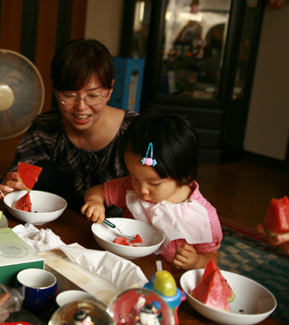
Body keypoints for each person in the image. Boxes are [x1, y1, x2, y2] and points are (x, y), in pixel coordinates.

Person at [0, 39, 137, 213]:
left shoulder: (135, 131)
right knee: (41, 170)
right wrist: (8, 193)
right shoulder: (44, 128)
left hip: (118, 231)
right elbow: (11, 192)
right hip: (59, 223)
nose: (81, 107)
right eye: (69, 95)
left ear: (110, 91)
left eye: (93, 96)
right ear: (56, 92)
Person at [82, 111, 222, 270]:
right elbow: (98, 190)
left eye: (154, 183)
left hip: (168, 280)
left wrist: (196, 261)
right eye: (134, 177)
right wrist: (95, 201)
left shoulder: (202, 216)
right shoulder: (130, 187)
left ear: (184, 175)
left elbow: (212, 257)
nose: (142, 190)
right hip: (129, 265)